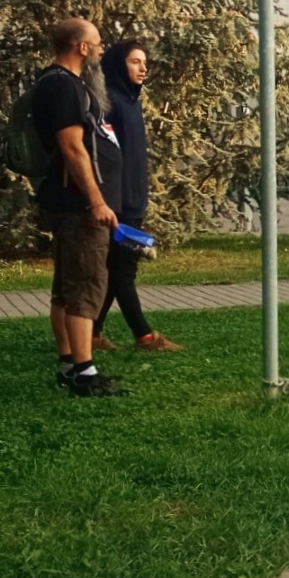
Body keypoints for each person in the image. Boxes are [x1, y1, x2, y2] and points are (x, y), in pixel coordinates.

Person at [31, 17, 126, 396]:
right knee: (87, 284)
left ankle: (70, 363)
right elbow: (72, 148)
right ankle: (83, 374)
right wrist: (97, 201)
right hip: (78, 205)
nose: (101, 49)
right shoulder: (63, 87)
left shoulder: (56, 84)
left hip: (68, 202)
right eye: (97, 43)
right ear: (81, 48)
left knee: (69, 285)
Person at [92, 42, 182, 352]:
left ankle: (92, 333)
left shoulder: (132, 101)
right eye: (135, 62)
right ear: (119, 65)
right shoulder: (110, 102)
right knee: (123, 272)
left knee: (114, 270)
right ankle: (144, 337)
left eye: (145, 62)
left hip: (133, 199)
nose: (143, 68)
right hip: (119, 203)